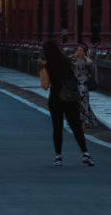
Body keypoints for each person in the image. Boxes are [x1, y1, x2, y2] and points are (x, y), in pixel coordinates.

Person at [39, 36, 93, 166]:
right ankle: (85, 154)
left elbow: (45, 86)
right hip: (70, 98)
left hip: (56, 98)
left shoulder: (47, 64)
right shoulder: (66, 61)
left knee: (57, 128)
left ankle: (58, 157)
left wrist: (42, 69)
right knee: (76, 127)